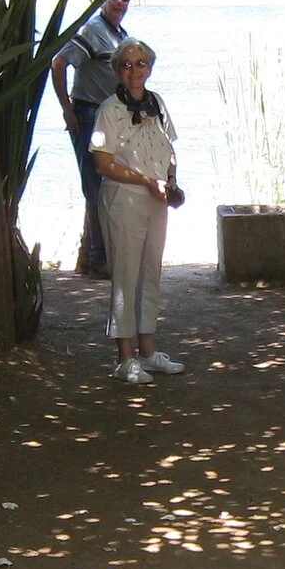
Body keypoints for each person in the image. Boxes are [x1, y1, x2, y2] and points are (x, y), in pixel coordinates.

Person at [91, 39, 186, 384]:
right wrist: (147, 182)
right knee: (126, 275)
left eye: (141, 63)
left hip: (156, 198)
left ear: (150, 67)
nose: (135, 70)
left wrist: (170, 180)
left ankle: (148, 351)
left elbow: (169, 147)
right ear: (117, 70)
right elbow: (102, 163)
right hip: (124, 199)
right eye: (128, 64)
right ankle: (124, 358)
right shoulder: (109, 110)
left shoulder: (156, 103)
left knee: (150, 273)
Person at [50, 0, 134, 277]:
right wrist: (67, 111)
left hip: (111, 118)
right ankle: (100, 260)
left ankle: (91, 257)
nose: (120, 3)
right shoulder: (92, 31)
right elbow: (58, 64)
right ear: (102, 1)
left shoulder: (118, 34)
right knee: (97, 187)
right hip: (89, 116)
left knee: (109, 186)